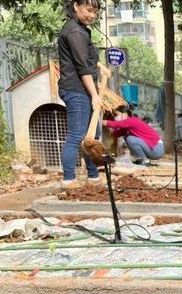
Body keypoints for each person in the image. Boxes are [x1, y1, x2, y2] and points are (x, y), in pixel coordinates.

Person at [58, 0, 108, 189]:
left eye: (95, 12)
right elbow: (81, 67)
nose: (92, 15)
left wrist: (101, 66)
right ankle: (69, 179)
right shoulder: (74, 31)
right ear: (76, 6)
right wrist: (95, 95)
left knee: (91, 135)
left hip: (83, 89)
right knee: (77, 135)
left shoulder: (79, 29)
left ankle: (93, 177)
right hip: (76, 89)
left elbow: (85, 57)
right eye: (89, 10)